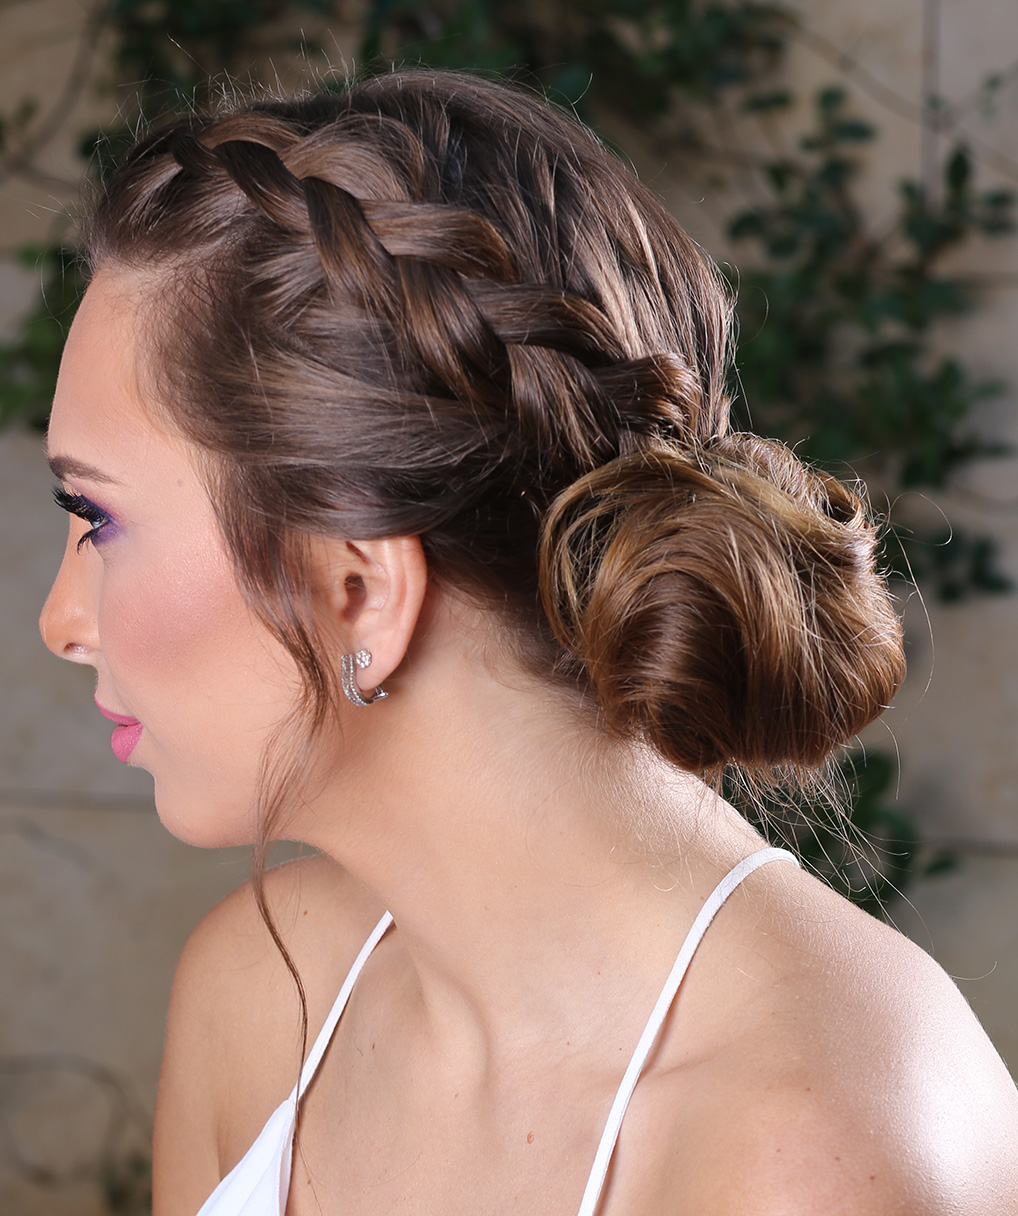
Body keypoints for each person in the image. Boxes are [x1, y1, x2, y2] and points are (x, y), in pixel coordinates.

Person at [39, 69, 1017, 1216]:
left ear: (358, 590)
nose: (62, 623)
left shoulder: (815, 1152)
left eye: (98, 519)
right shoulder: (260, 996)